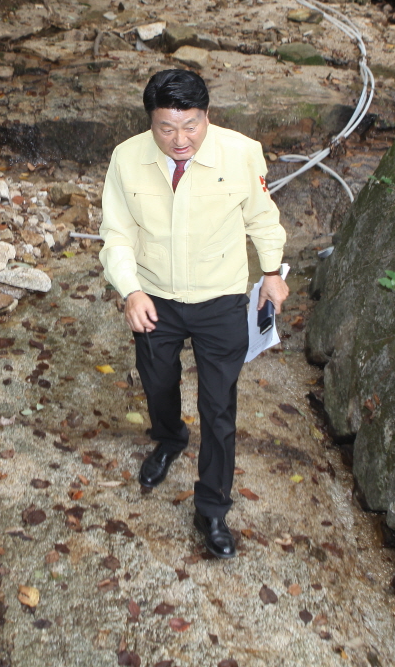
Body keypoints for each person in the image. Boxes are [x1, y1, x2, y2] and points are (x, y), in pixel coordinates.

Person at [98, 70, 289, 559]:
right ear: (150, 122)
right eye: (167, 128)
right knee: (157, 380)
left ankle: (212, 508)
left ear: (207, 116)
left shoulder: (241, 153)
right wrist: (130, 291)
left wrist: (271, 272)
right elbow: (116, 233)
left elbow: (262, 217)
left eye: (191, 126)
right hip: (155, 296)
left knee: (219, 407)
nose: (180, 140)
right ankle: (169, 438)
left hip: (220, 298)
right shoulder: (126, 159)